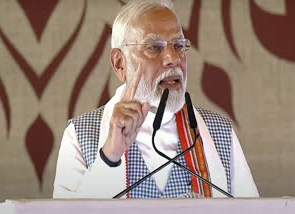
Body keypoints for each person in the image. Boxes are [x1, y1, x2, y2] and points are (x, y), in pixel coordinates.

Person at [53, 0, 259, 198]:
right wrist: (110, 157)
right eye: (154, 47)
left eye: (179, 45)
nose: (174, 59)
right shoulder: (80, 135)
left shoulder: (220, 132)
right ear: (120, 64)